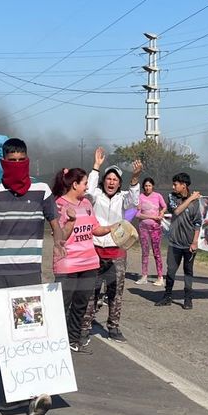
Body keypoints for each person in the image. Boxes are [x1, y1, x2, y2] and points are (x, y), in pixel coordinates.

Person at [0, 137, 60, 415]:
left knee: (30, 331)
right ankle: (17, 392)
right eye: (11, 161)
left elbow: (54, 222)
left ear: (27, 159)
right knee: (7, 336)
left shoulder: (42, 190)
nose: (16, 166)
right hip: (0, 271)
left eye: (20, 160)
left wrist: (61, 241)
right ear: (3, 161)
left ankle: (37, 391)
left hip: (28, 270)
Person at [79, 147, 141, 344]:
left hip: (117, 253)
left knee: (116, 292)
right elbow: (88, 190)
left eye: (115, 180)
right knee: (92, 291)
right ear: (104, 181)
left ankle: (113, 327)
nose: (111, 182)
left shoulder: (123, 198)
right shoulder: (96, 195)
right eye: (109, 178)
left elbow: (134, 200)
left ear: (119, 183)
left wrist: (135, 179)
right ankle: (85, 327)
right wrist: (96, 167)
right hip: (95, 250)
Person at [53, 167, 111, 354]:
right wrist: (70, 220)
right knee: (62, 304)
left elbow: (95, 229)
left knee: (81, 305)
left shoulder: (86, 204)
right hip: (68, 263)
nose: (87, 187)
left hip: (89, 263)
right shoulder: (59, 205)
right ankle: (55, 341)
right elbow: (61, 236)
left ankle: (73, 339)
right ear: (74, 184)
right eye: (85, 183)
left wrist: (114, 227)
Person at [155, 173, 202, 310]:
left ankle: (188, 298)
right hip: (174, 242)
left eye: (175, 184)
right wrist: (191, 198)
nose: (173, 186)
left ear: (184, 185)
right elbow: (176, 211)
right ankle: (167, 296)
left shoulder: (196, 202)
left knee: (188, 272)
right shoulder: (172, 197)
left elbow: (197, 223)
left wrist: (194, 242)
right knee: (171, 271)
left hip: (188, 244)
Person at [134, 177, 167, 286]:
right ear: (143, 187)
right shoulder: (140, 197)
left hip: (155, 228)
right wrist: (152, 216)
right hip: (143, 228)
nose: (147, 188)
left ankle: (160, 277)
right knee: (145, 252)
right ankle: (144, 276)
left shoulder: (158, 196)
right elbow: (138, 214)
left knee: (156, 252)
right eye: (146, 186)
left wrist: (161, 214)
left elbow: (164, 206)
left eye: (149, 185)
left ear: (152, 186)